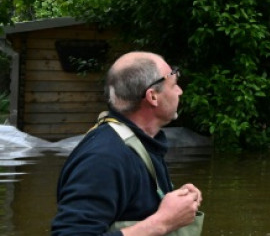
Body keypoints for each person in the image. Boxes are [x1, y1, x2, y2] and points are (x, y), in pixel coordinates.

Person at [51, 51, 203, 235]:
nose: (180, 91)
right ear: (153, 96)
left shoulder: (141, 143)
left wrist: (174, 204)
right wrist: (162, 222)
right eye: (174, 85)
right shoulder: (103, 159)